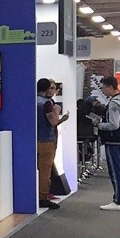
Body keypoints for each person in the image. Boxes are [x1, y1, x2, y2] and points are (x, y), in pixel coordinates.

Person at [97, 76, 120, 211]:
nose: (103, 91)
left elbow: (113, 124)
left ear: (110, 87)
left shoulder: (114, 103)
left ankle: (118, 201)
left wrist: (99, 125)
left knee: (115, 171)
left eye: (103, 88)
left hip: (114, 139)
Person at [37, 78, 67, 210]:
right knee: (45, 171)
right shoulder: (47, 103)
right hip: (46, 140)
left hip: (33, 139)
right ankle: (43, 197)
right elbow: (53, 122)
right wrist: (58, 113)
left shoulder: (32, 100)